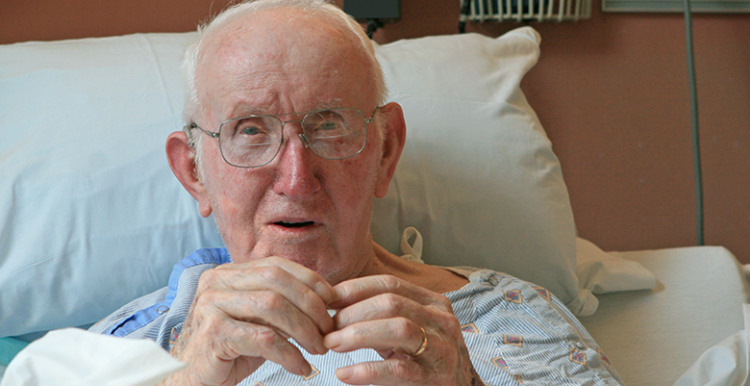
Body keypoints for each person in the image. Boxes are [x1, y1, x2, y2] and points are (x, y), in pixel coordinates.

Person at [91, 1, 624, 385]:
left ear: (385, 151)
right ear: (194, 172)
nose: (296, 178)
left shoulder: (507, 318)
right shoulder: (142, 344)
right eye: (250, 131)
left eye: (328, 125)